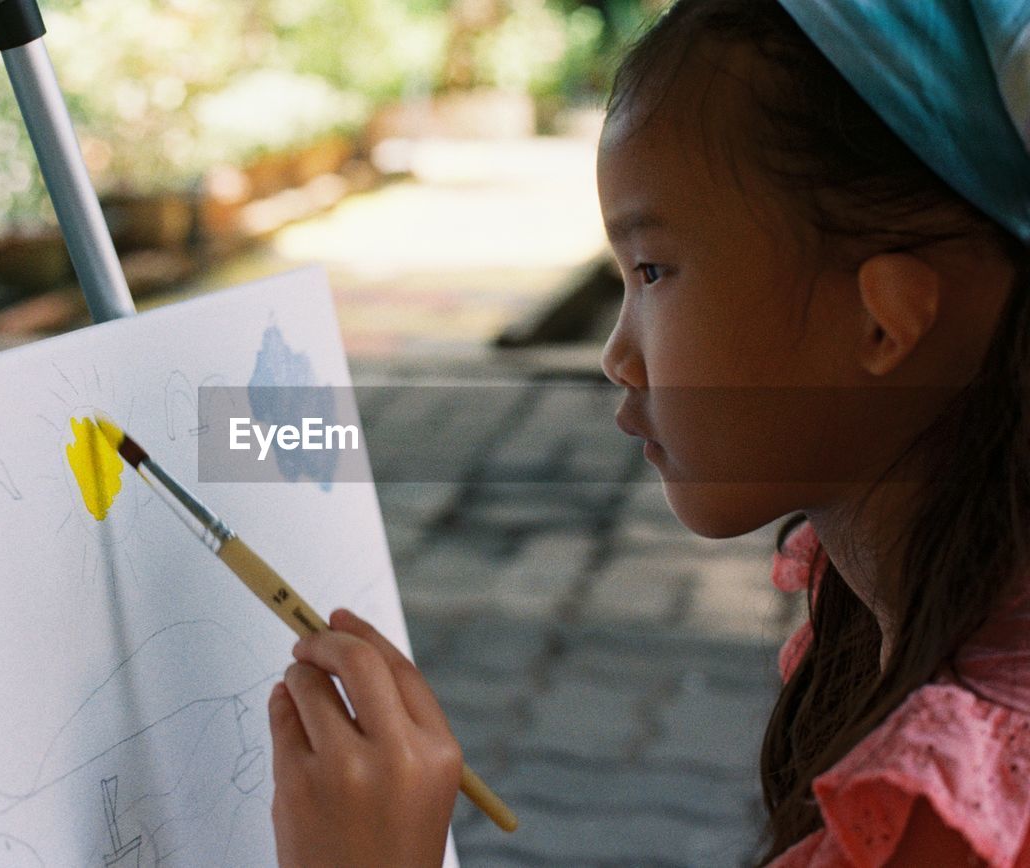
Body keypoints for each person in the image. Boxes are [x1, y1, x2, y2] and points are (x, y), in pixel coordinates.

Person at [267, 0, 1030, 865]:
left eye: (654, 270)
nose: (616, 355)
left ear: (883, 320)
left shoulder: (958, 818)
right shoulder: (905, 621)